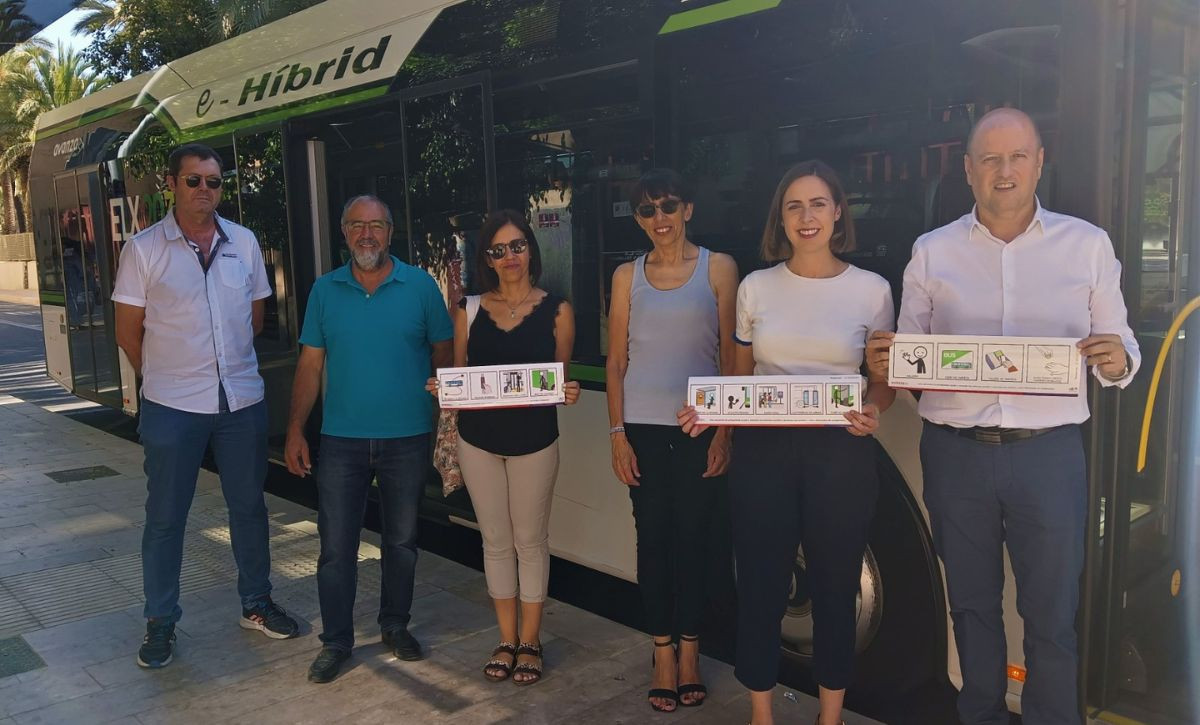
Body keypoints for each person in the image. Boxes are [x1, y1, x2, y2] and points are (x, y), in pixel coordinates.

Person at [866, 108, 1140, 725]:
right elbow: (909, 360)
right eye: (990, 159)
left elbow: (1118, 350)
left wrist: (1117, 360)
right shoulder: (932, 252)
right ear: (968, 170)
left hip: (1048, 455)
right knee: (970, 605)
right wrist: (889, 360)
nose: (1004, 170)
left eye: (1018, 156)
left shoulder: (1088, 245)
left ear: (1040, 162)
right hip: (955, 453)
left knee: (1052, 614)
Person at [680, 160, 895, 725]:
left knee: (836, 586)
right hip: (764, 454)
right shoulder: (757, 287)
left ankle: (829, 715)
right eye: (794, 206)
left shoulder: (872, 291)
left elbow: (883, 380)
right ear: (781, 216)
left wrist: (873, 409)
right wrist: (713, 413)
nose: (807, 217)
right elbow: (740, 376)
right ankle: (760, 711)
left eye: (818, 204)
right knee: (760, 583)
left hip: (841, 454)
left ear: (838, 211)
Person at [113, 143, 298, 670]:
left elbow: (254, 321)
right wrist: (166, 381)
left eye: (213, 182)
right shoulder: (144, 249)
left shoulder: (243, 241)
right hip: (172, 405)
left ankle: (256, 604)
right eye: (193, 180)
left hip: (240, 401)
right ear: (172, 184)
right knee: (167, 518)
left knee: (250, 508)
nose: (204, 191)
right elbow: (130, 334)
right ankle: (161, 621)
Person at [284, 194, 454, 683]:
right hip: (340, 442)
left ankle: (395, 626)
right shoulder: (324, 291)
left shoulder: (420, 286)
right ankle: (336, 641)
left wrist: (447, 415)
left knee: (402, 542)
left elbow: (444, 353)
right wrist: (296, 428)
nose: (366, 234)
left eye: (376, 225)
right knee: (336, 548)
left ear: (390, 232)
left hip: (408, 438)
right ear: (344, 232)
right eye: (357, 225)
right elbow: (310, 365)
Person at [426, 209, 581, 686]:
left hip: (535, 440)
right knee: (495, 541)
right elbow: (460, 372)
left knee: (530, 542)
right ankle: (506, 638)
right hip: (478, 441)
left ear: (530, 250)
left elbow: (556, 380)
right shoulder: (467, 310)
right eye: (498, 249)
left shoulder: (558, 310)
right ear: (487, 259)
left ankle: (531, 642)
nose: (509, 256)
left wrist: (566, 390)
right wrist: (442, 387)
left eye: (516, 246)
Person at [606, 169, 739, 711]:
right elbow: (616, 361)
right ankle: (662, 651)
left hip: (699, 428)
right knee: (653, 540)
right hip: (640, 426)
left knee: (696, 542)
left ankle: (691, 649)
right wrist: (616, 433)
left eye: (667, 206)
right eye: (646, 210)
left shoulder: (719, 268)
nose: (658, 218)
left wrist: (725, 429)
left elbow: (732, 358)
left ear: (687, 209)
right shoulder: (625, 277)